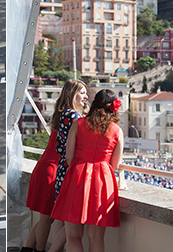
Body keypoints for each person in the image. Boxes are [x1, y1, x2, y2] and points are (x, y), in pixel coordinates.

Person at [51, 89, 123, 252]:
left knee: (73, 237)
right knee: (96, 237)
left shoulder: (79, 124)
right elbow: (116, 164)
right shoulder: (117, 130)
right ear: (113, 107)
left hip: (77, 177)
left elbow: (69, 156)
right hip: (102, 181)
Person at [21, 80, 88, 252]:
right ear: (73, 94)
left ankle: (28, 248)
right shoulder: (73, 116)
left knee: (46, 217)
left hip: (47, 166)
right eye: (82, 92)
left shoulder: (62, 113)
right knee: (47, 218)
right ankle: (39, 250)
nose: (86, 96)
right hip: (53, 168)